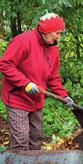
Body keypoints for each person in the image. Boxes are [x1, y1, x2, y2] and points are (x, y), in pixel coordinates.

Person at [0, 12, 76, 151]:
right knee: (21, 141)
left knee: (36, 139)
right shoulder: (23, 41)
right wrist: (25, 83)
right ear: (46, 31)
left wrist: (63, 95)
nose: (59, 37)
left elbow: (53, 76)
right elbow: (5, 64)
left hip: (36, 99)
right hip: (18, 97)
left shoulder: (52, 48)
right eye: (57, 33)